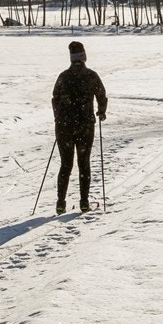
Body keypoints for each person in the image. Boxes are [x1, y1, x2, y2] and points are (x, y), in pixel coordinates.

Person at [51, 40, 108, 213]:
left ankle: (61, 202)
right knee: (84, 163)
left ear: (71, 58)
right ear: (83, 57)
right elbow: (101, 95)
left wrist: (58, 117)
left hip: (64, 127)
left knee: (65, 165)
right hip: (85, 125)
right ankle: (84, 202)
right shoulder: (91, 75)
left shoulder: (63, 77)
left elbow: (55, 98)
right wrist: (101, 111)